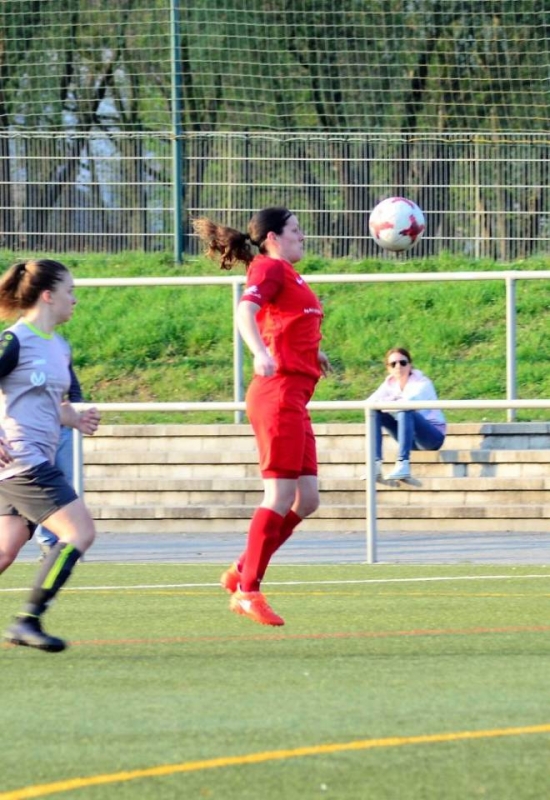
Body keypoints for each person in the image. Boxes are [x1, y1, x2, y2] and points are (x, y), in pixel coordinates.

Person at [193, 207, 331, 627]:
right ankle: (248, 590)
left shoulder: (289, 274)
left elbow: (285, 321)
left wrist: (314, 353)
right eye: (295, 230)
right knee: (278, 496)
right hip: (277, 394)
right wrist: (259, 353)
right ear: (273, 237)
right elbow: (245, 312)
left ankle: (241, 568)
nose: (301, 236)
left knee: (307, 500)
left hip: (295, 397)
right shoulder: (268, 267)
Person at [0, 258, 100, 652]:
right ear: (47, 296)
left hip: (26, 461)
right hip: (22, 460)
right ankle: (28, 620)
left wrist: (74, 418)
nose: (74, 299)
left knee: (5, 549)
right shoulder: (14, 340)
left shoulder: (59, 347)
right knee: (79, 532)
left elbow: (48, 405)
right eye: (69, 291)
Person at [367, 347, 446, 480]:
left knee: (405, 409)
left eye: (403, 362)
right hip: (410, 439)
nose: (398, 366)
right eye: (393, 364)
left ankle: (403, 463)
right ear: (388, 368)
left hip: (432, 438)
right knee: (374, 412)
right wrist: (385, 403)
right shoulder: (389, 383)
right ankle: (375, 464)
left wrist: (386, 401)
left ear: (410, 365)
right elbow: (370, 402)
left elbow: (409, 401)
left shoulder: (423, 383)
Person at [34, 357, 83, 560]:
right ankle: (47, 540)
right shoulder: (18, 349)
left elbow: (73, 388)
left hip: (62, 430)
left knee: (66, 485)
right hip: (35, 431)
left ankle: (55, 541)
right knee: (39, 486)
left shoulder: (59, 349)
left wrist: (77, 412)